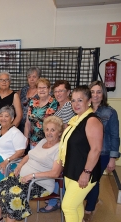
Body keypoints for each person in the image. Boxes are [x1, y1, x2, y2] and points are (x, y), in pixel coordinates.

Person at [0, 116, 64, 222]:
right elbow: (29, 155)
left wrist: (32, 176)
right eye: (47, 129)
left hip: (40, 183)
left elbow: (55, 173)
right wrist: (20, 166)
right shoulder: (43, 141)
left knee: (13, 194)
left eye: (53, 130)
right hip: (24, 177)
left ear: (59, 132)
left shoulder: (60, 148)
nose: (49, 133)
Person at [54, 86, 103, 222]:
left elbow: (96, 150)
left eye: (80, 100)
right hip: (72, 170)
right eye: (73, 100)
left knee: (67, 206)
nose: (76, 104)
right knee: (75, 205)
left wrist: (86, 172)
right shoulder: (76, 119)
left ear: (89, 101)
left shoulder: (92, 121)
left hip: (84, 172)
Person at [81, 81, 120, 222]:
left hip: (103, 152)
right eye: (92, 91)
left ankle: (89, 211)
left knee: (93, 180)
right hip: (86, 152)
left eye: (99, 92)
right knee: (86, 179)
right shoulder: (85, 110)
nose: (95, 95)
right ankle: (94, 199)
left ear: (103, 94)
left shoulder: (110, 112)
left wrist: (112, 157)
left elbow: (115, 135)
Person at [40, 80, 75, 213]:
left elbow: (64, 130)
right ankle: (56, 199)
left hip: (65, 148)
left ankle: (56, 201)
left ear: (68, 92)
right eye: (56, 91)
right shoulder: (58, 106)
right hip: (57, 146)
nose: (58, 93)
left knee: (58, 173)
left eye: (61, 91)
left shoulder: (68, 106)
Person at [24, 78, 58, 148]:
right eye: (39, 88)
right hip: (33, 142)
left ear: (49, 89)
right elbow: (27, 123)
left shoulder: (55, 103)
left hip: (48, 142)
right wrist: (25, 138)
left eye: (44, 88)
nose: (41, 90)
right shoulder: (32, 102)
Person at [18, 67, 41, 132]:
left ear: (39, 78)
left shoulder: (42, 91)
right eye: (29, 77)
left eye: (34, 77)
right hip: (21, 125)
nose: (31, 79)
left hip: (35, 127)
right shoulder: (24, 89)